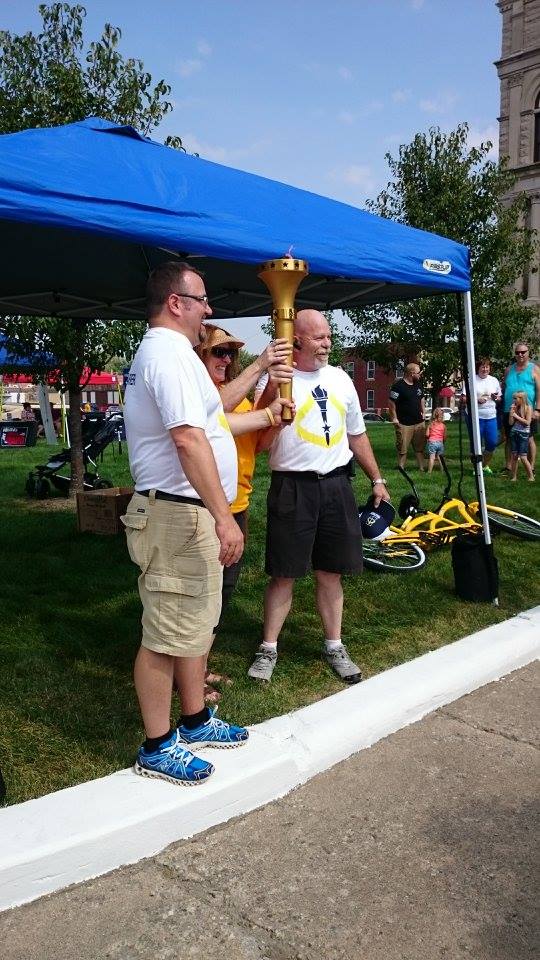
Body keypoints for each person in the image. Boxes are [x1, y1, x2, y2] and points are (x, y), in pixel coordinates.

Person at [122, 261, 291, 787]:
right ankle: (156, 745)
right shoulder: (166, 354)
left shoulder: (174, 356)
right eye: (201, 300)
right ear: (176, 302)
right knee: (164, 634)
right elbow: (188, 439)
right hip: (177, 514)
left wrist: (262, 382)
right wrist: (224, 517)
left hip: (185, 513)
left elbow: (212, 414)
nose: (208, 310)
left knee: (193, 627)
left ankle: (193, 721)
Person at [247, 308, 391, 685]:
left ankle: (334, 645)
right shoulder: (279, 380)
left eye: (329, 335)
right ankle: (268, 649)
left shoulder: (342, 379)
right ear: (296, 340)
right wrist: (278, 421)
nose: (328, 342)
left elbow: (356, 435)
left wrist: (376, 478)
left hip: (336, 487)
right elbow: (260, 444)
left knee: (331, 573)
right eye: (319, 337)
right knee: (284, 573)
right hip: (292, 487)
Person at [195, 323, 293, 701]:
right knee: (203, 595)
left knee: (222, 592)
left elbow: (261, 442)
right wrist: (263, 366)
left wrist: (278, 413)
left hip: (238, 507)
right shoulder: (201, 398)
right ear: (199, 356)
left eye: (231, 353)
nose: (227, 359)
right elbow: (216, 414)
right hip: (207, 510)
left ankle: (200, 665)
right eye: (218, 352)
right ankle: (191, 677)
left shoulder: (241, 399)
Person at [501, 341, 540, 476]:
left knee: (528, 438)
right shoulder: (508, 369)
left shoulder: (534, 369)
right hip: (509, 409)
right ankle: (509, 467)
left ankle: (531, 468)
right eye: (517, 352)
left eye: (523, 352)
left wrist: (538, 409)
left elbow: (539, 390)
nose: (520, 355)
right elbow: (504, 387)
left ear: (528, 353)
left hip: (527, 410)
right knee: (509, 438)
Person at [461, 357, 501, 474]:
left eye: (487, 367)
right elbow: (463, 398)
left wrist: (496, 398)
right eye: (482, 367)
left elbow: (499, 398)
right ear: (478, 368)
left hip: (491, 416)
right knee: (476, 443)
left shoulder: (494, 380)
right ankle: (476, 468)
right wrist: (476, 400)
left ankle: (484, 465)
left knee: (492, 442)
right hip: (474, 417)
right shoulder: (471, 380)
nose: (485, 369)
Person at [388, 363, 426, 470]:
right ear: (412, 373)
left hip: (419, 422)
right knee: (402, 449)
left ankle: (422, 469)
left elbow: (421, 398)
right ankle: (401, 468)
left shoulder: (418, 384)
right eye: (419, 373)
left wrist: (423, 411)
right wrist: (394, 418)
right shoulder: (398, 386)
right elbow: (391, 403)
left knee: (420, 448)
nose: (420, 375)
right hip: (404, 423)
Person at [509, 391, 534, 482]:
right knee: (514, 455)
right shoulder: (515, 408)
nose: (514, 400)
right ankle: (514, 477)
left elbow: (527, 423)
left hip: (523, 434)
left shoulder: (528, 408)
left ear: (521, 399)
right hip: (514, 432)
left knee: (523, 457)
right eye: (514, 398)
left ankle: (531, 476)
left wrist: (516, 416)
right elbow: (511, 423)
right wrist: (511, 413)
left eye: (516, 398)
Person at [425, 407, 446, 474]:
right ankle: (442, 470)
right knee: (440, 458)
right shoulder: (443, 426)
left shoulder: (430, 424)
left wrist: (428, 438)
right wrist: (443, 441)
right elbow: (445, 436)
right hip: (440, 442)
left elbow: (427, 434)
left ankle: (429, 471)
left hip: (432, 442)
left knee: (432, 458)